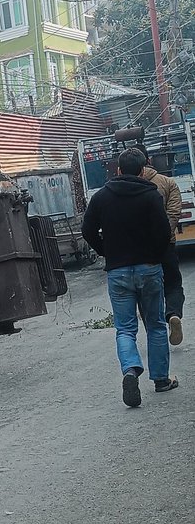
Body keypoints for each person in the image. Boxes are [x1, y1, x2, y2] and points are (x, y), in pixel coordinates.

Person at [82, 147, 176, 407]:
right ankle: (161, 380)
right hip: (148, 268)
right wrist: (155, 255)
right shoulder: (151, 195)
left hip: (118, 271)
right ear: (144, 169)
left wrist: (106, 251)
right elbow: (163, 231)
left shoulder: (101, 197)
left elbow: (87, 229)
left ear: (118, 170)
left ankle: (131, 370)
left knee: (125, 328)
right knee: (155, 325)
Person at [141, 150, 184, 346]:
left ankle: (153, 329)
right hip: (166, 245)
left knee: (145, 290)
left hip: (141, 249)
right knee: (173, 284)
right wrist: (165, 236)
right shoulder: (168, 183)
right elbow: (174, 213)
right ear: (149, 161)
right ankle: (173, 314)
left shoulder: (132, 186)